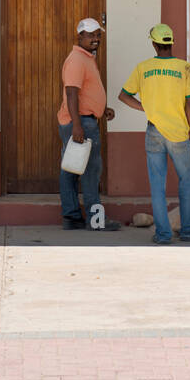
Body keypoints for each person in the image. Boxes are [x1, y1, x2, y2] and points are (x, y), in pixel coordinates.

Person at [118, 23, 190, 245]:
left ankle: (163, 235)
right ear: (171, 43)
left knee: (157, 185)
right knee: (186, 182)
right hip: (179, 132)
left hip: (154, 131)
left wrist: (147, 108)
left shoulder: (143, 68)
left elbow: (124, 95)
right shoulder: (185, 68)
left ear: (153, 43)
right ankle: (189, 232)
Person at [58, 17, 121, 231]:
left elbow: (85, 93)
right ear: (80, 36)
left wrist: (102, 110)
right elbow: (71, 93)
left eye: (98, 35)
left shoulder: (87, 58)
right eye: (91, 35)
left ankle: (72, 217)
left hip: (84, 119)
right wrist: (78, 126)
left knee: (71, 170)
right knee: (91, 170)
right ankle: (95, 221)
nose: (95, 39)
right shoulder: (77, 59)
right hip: (81, 122)